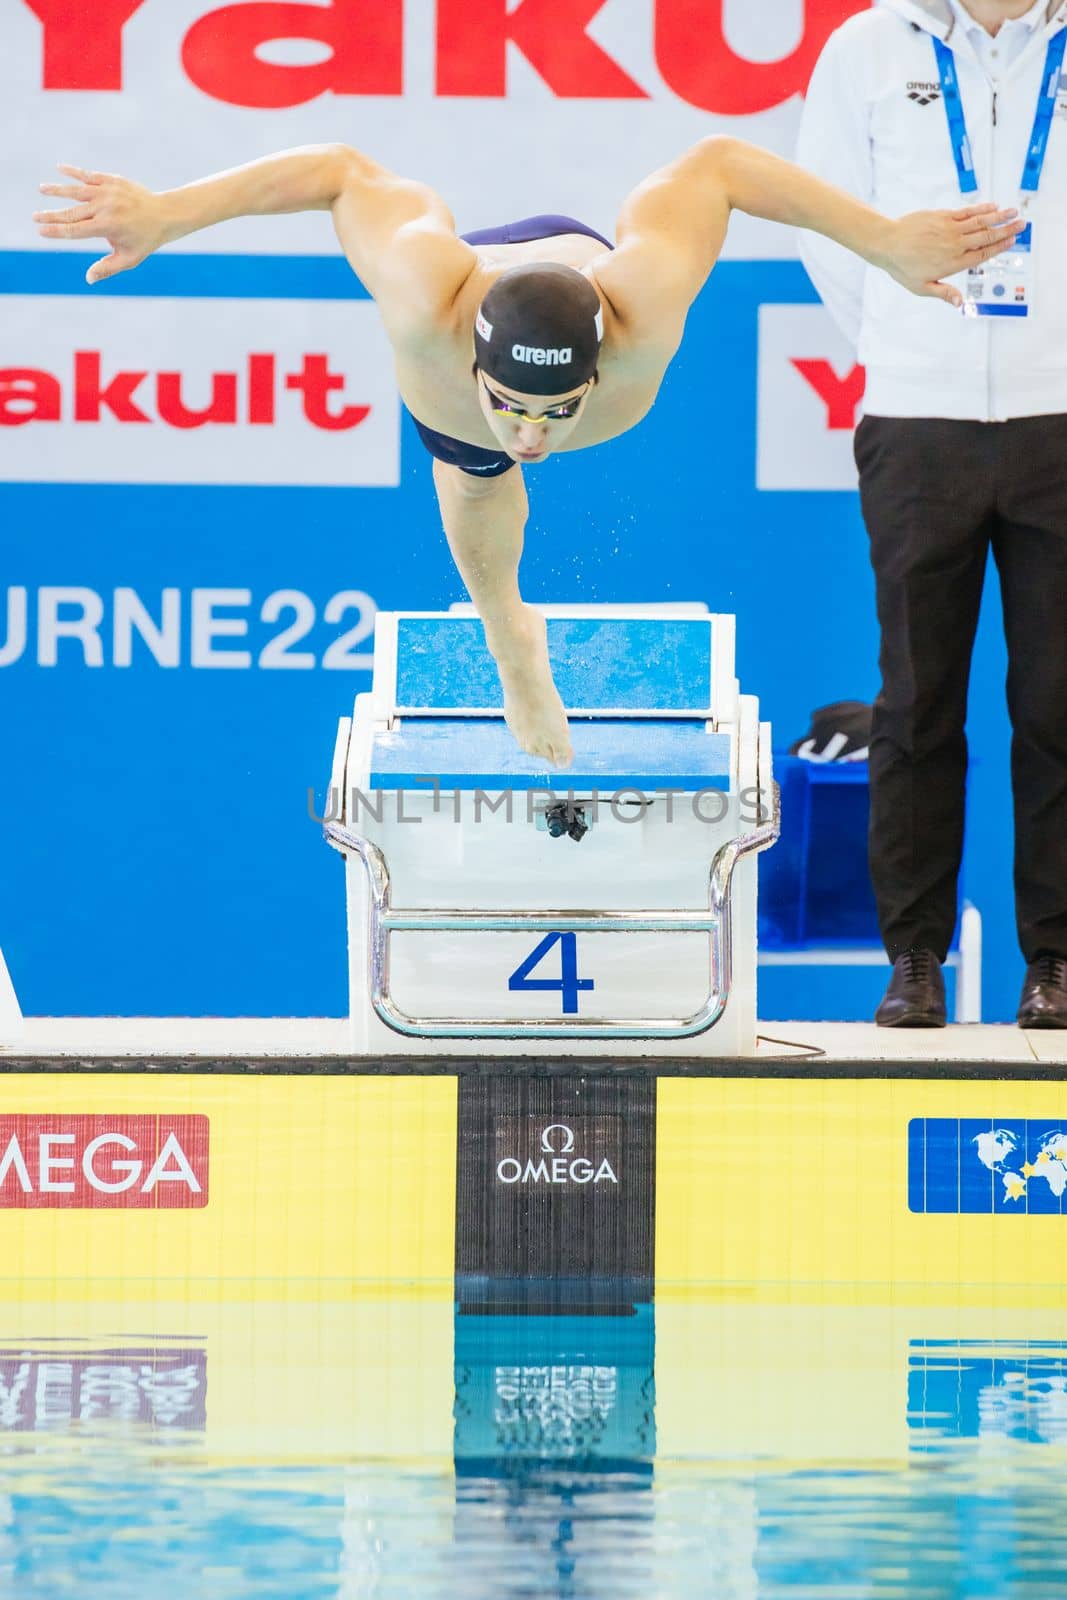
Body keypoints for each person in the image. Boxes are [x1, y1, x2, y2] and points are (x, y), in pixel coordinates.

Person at [35, 137, 1020, 775]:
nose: (534, 434)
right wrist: (169, 213)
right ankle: (512, 636)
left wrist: (881, 240)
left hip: (570, 256)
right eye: (514, 405)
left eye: (556, 411)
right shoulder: (426, 295)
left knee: (493, 452)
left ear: (598, 370)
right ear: (476, 363)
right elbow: (339, 172)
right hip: (472, 302)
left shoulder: (642, 304)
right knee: (475, 469)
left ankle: (512, 590)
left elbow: (718, 165)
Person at [797, 0, 1067, 1029]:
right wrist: (903, 345)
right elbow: (828, 223)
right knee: (914, 707)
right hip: (916, 422)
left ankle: (1053, 962)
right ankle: (913, 959)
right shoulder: (864, 46)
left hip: (1058, 418)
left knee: (1055, 704)